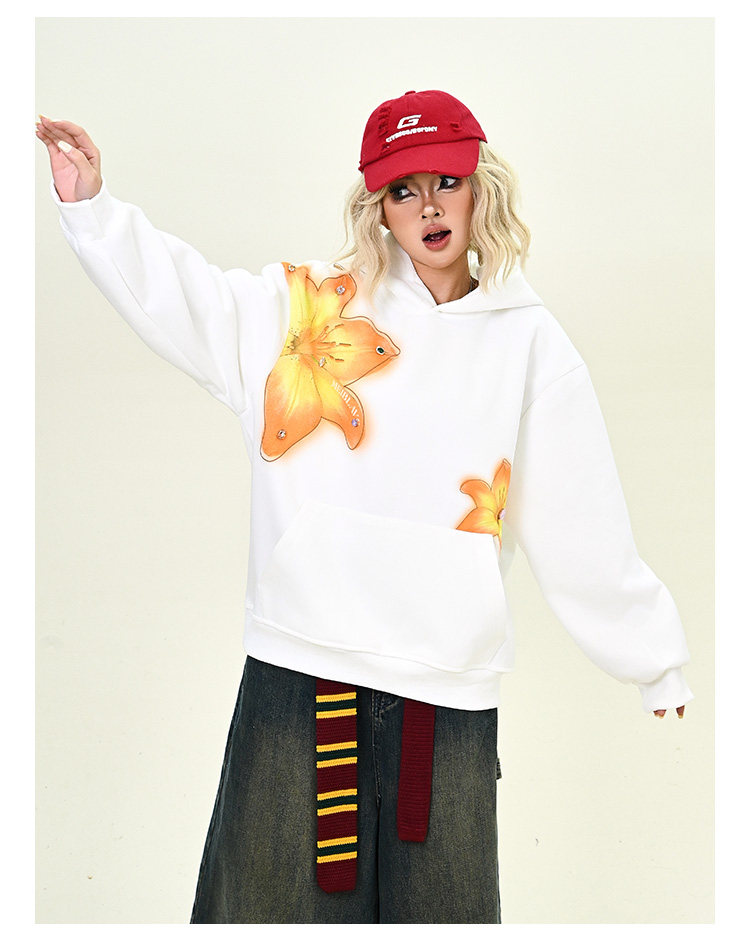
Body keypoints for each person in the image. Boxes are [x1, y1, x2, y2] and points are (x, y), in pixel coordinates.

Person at [36, 89, 692, 924]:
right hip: (300, 670)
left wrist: (651, 658)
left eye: (446, 182)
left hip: (445, 696)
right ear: (378, 207)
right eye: (403, 190)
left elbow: (579, 513)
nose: (429, 208)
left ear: (481, 186)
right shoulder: (311, 310)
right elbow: (190, 299)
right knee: (268, 914)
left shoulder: (530, 343)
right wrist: (92, 210)